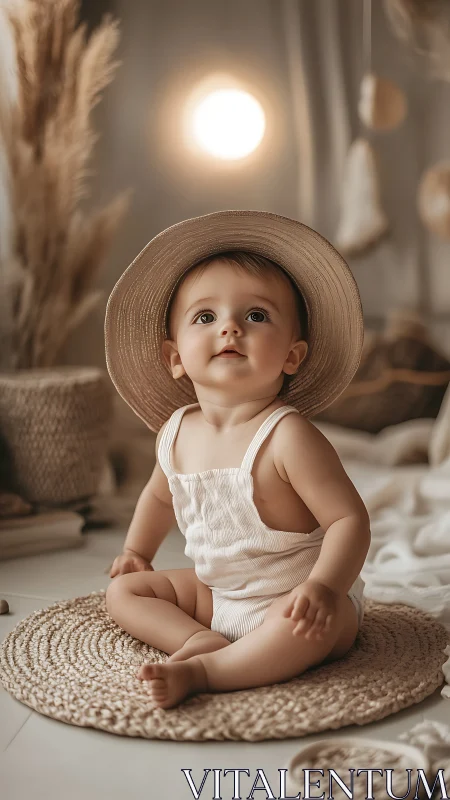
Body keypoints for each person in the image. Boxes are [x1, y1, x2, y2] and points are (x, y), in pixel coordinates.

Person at [104, 209, 371, 709]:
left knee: (303, 632)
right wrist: (137, 550)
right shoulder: (177, 431)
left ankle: (206, 672)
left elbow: (348, 520)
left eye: (256, 316)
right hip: (217, 595)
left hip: (295, 602)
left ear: (292, 357)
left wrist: (326, 588)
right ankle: (197, 638)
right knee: (125, 594)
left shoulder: (288, 436)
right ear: (176, 358)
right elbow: (159, 497)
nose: (229, 328)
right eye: (206, 317)